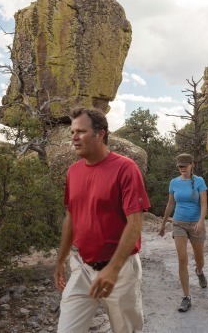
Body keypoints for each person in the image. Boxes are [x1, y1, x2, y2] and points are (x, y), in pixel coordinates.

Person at [54, 107, 151, 333]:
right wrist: (60, 260)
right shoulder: (73, 171)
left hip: (121, 270)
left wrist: (113, 269)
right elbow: (71, 216)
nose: (74, 138)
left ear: (100, 134)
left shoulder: (125, 168)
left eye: (81, 132)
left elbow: (135, 222)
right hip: (82, 267)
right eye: (72, 132)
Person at [159, 153, 208, 312]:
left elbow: (204, 204)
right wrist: (163, 223)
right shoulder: (174, 182)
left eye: (184, 166)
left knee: (199, 259)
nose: (182, 169)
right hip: (178, 223)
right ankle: (186, 297)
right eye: (180, 167)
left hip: (195, 224)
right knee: (182, 259)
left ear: (191, 165)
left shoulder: (199, 181)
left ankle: (199, 271)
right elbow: (170, 204)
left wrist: (200, 222)